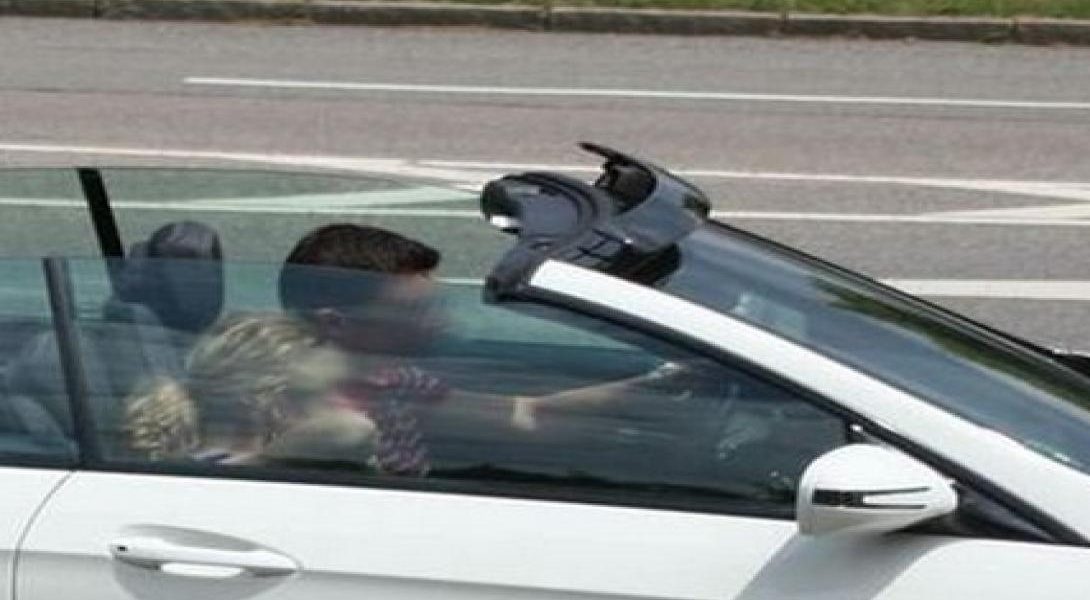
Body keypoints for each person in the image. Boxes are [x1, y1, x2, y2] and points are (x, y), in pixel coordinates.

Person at [278, 224, 689, 477]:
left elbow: (526, 414)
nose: (438, 323)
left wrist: (665, 385)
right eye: (413, 312)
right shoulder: (313, 415)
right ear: (335, 322)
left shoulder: (394, 386)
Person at [124, 313, 376, 467]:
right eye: (325, 395)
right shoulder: (217, 478)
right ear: (268, 402)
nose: (346, 406)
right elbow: (352, 429)